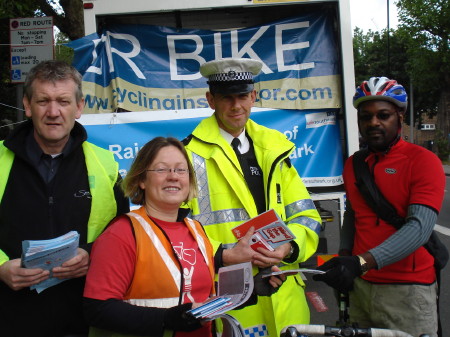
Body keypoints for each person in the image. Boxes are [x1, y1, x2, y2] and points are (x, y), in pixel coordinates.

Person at [83, 137, 285, 337]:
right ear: (142, 180)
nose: (173, 176)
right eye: (162, 169)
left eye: (181, 170)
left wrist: (249, 291)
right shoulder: (121, 233)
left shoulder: (196, 230)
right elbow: (98, 310)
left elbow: (194, 293)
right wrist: (168, 319)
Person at [183, 58, 322, 336]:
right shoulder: (187, 156)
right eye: (226, 98)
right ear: (211, 100)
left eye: (243, 96)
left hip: (284, 292)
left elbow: (306, 215)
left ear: (254, 96)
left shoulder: (275, 147)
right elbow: (176, 232)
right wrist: (224, 254)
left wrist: (288, 248)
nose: (236, 106)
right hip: (229, 297)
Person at [0, 60, 130, 337]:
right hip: (10, 317)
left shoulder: (105, 163)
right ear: (27, 106)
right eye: (43, 101)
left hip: (84, 317)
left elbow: (124, 231)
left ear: (79, 107)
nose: (53, 112)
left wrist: (91, 253)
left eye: (63, 101)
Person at [313, 77, 446, 337]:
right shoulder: (354, 164)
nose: (373, 122)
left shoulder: (423, 161)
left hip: (408, 291)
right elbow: (353, 214)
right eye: (366, 116)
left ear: (400, 116)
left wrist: (360, 262)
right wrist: (343, 259)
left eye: (383, 115)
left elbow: (418, 228)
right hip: (362, 287)